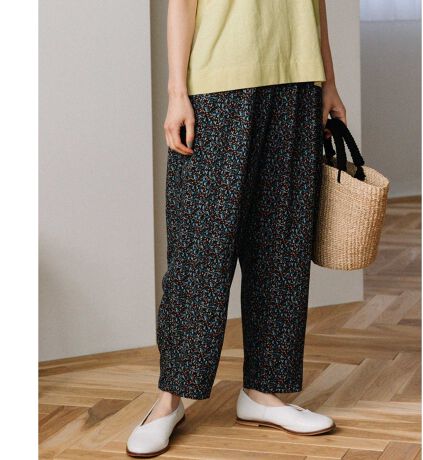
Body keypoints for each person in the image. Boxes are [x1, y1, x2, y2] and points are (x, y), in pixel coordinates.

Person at [127, 0, 346, 456]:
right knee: (200, 249)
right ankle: (170, 399)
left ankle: (263, 392)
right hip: (218, 83)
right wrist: (176, 92)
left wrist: (328, 81)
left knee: (282, 246)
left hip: (297, 80)